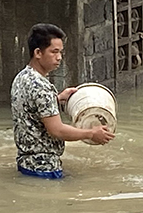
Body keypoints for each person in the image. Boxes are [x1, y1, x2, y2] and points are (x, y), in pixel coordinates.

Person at [11, 24, 115, 179]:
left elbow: (31, 109)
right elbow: (57, 130)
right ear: (38, 53)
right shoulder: (41, 88)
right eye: (54, 52)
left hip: (26, 163)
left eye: (60, 52)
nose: (59, 57)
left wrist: (56, 99)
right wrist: (92, 133)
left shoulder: (22, 77)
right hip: (45, 168)